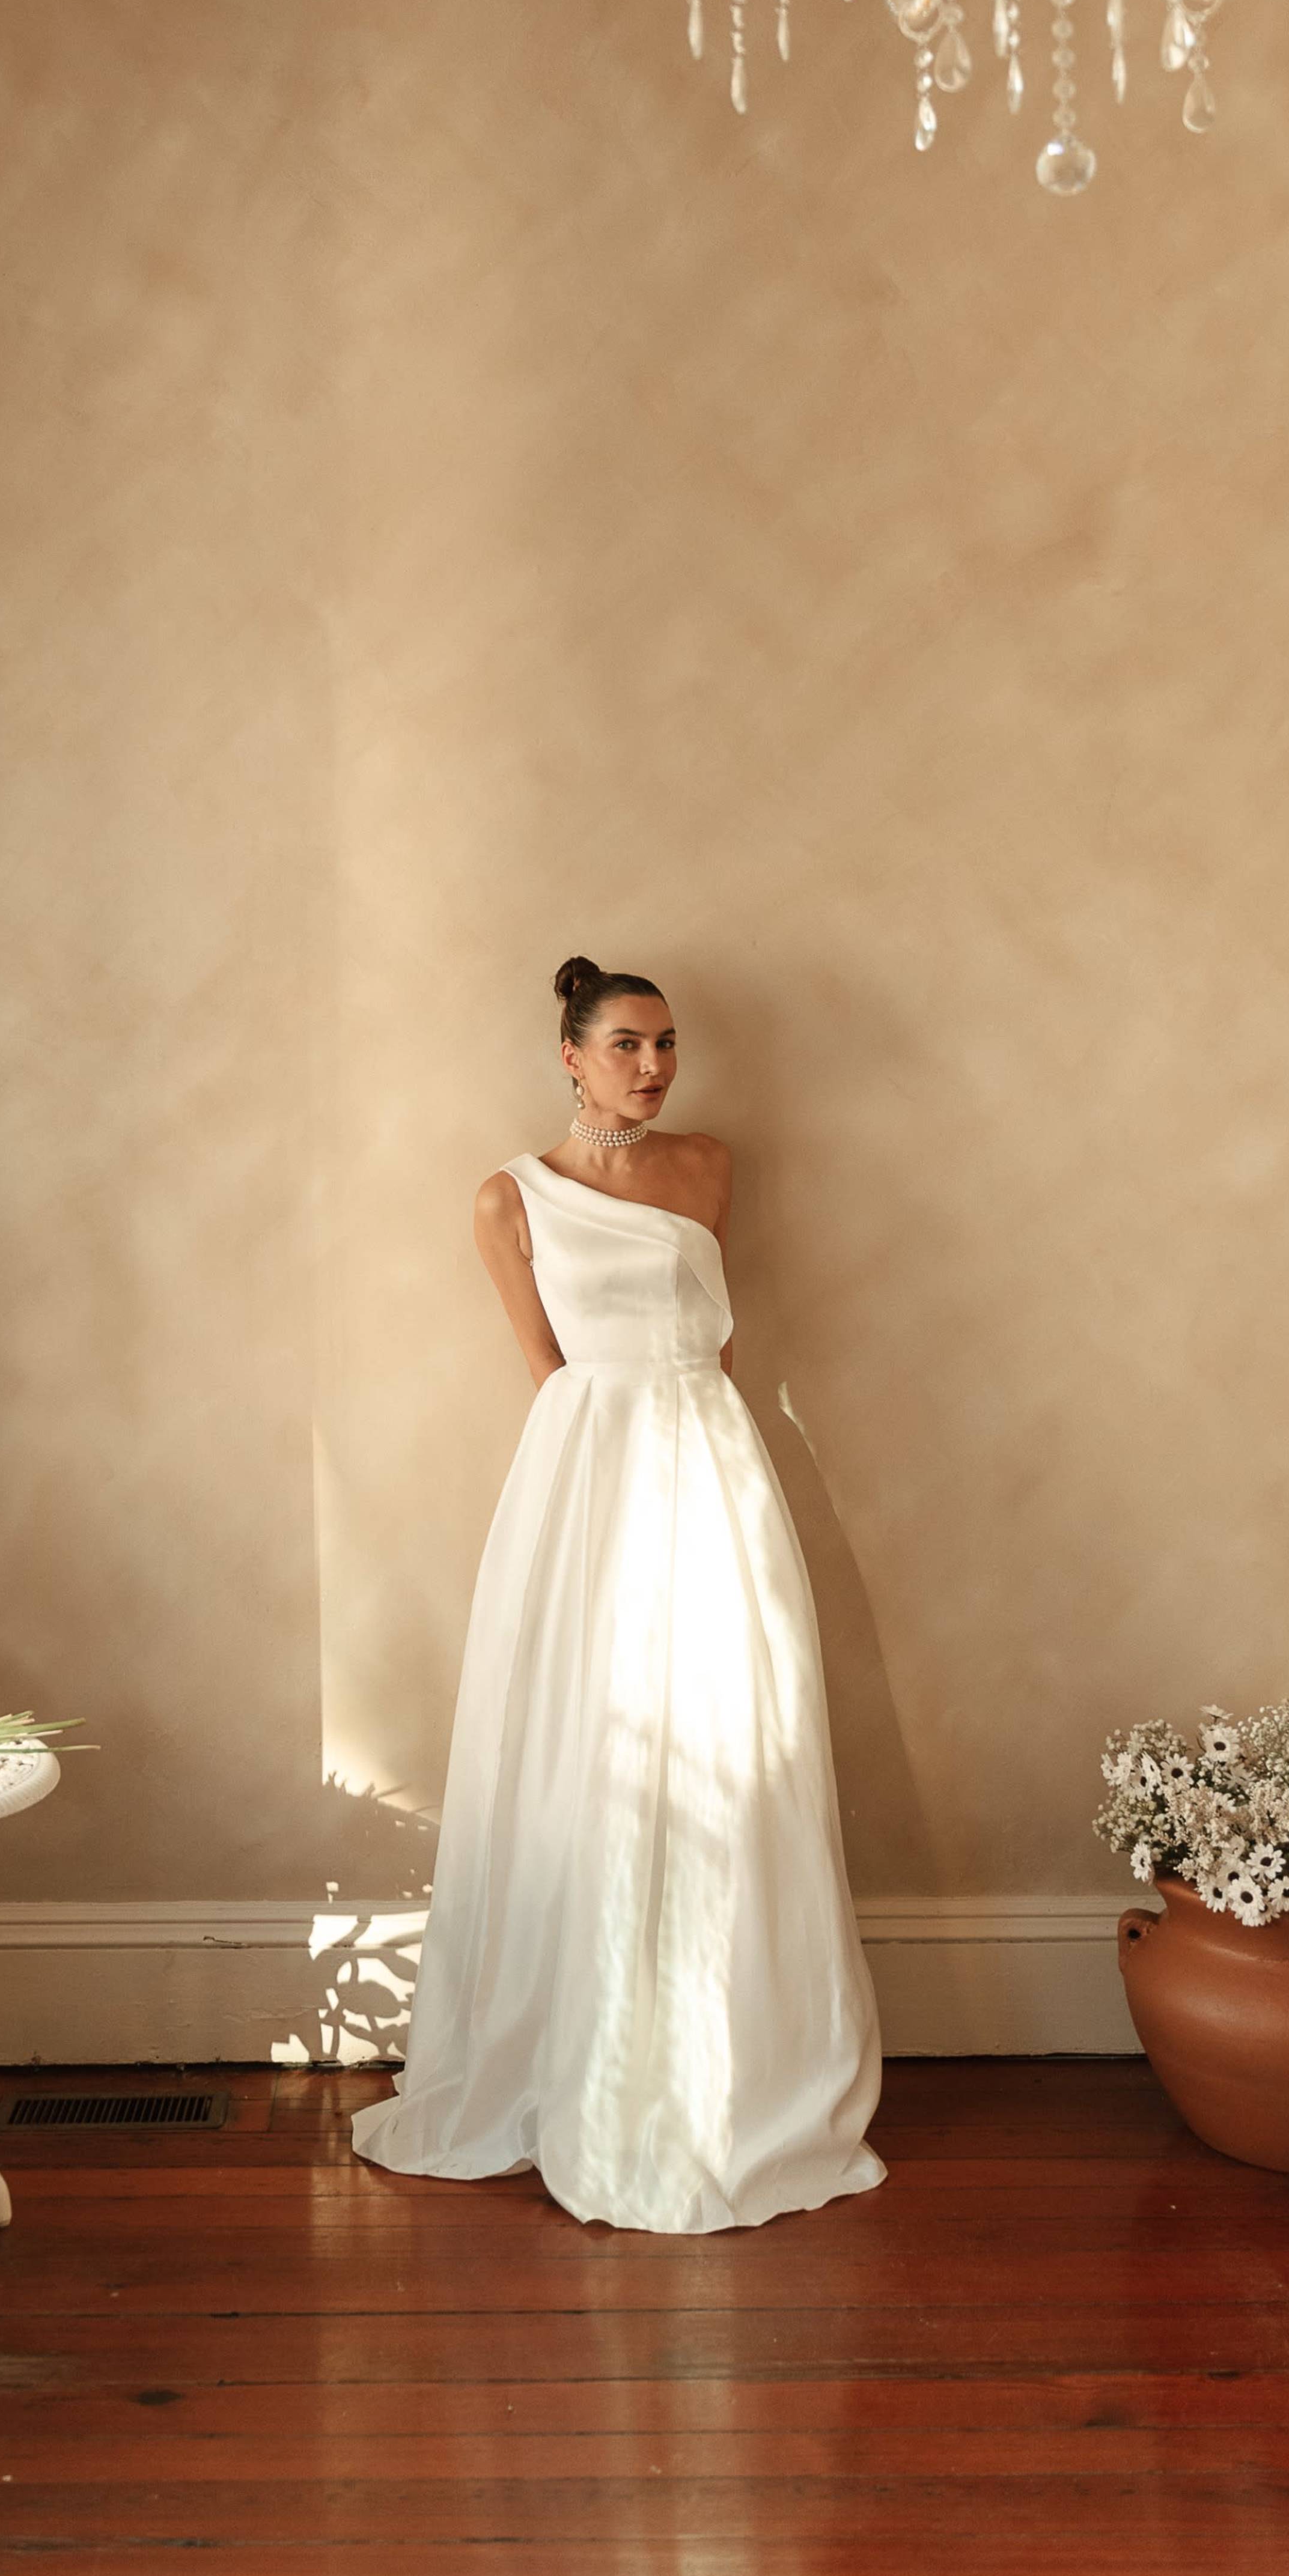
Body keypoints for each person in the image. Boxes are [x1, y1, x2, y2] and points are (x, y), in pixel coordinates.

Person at [351, 956, 885, 2233]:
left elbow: (719, 1336)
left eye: (668, 1046)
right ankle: (569, 2053)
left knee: (728, 1735)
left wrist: (716, 1449)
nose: (654, 1067)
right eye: (629, 1045)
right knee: (585, 1747)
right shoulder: (507, 1199)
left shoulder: (709, 1168)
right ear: (572, 1058)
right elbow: (547, 1366)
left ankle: (722, 2061)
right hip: (588, 1467)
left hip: (712, 1454)